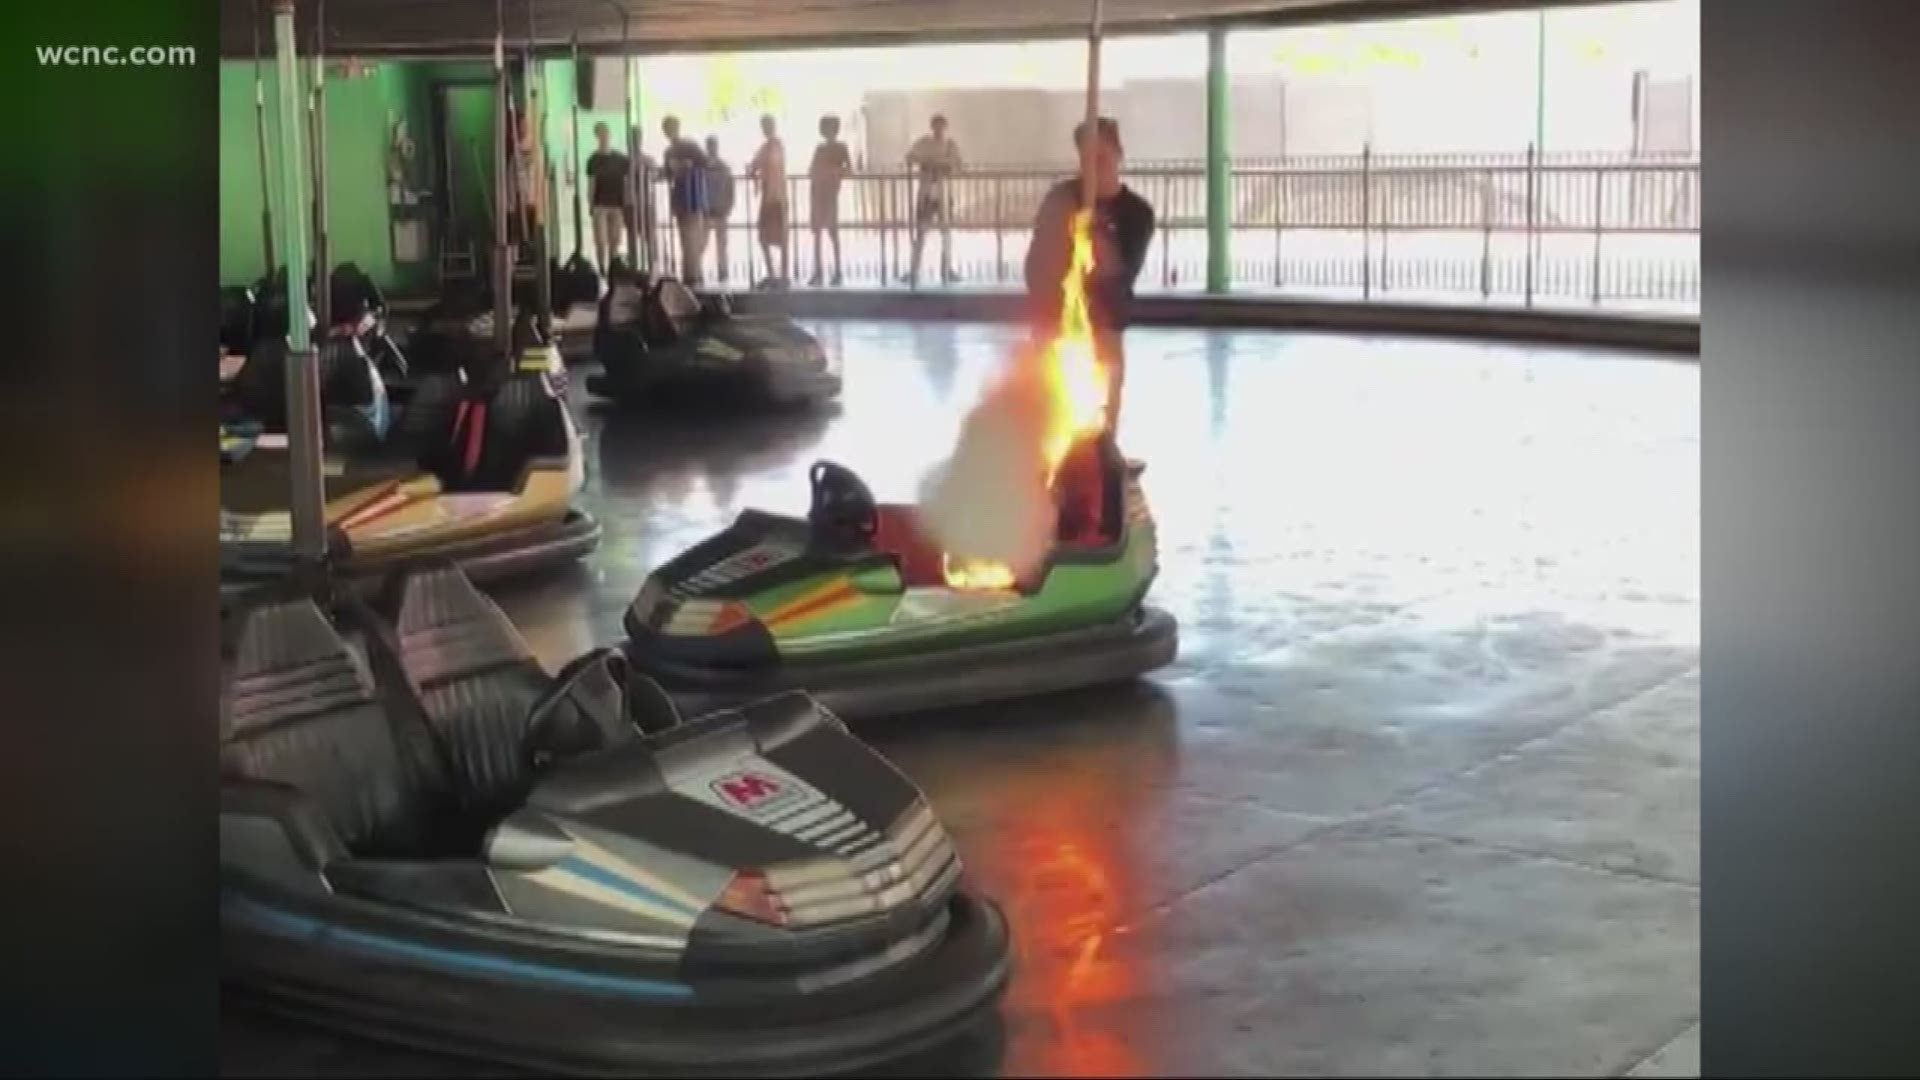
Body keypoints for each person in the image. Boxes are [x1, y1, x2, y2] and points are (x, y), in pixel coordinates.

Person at [1024, 117, 1155, 434]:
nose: (1094, 166)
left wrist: (1095, 238)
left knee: (1100, 408)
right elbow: (1035, 266)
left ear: (1118, 154)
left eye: (1102, 157)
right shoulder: (1061, 201)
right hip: (1055, 320)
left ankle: (1103, 453)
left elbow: (1121, 274)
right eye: (1087, 159)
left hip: (1105, 324)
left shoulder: (1137, 213)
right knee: (1049, 411)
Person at [905, 114, 964, 287]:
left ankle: (946, 269)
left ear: (945, 127)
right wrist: (926, 162)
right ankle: (914, 269)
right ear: (932, 127)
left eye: (941, 126)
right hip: (927, 192)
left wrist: (942, 164)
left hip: (944, 192)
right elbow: (909, 157)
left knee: (946, 231)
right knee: (921, 231)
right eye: (936, 126)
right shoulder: (924, 143)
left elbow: (958, 164)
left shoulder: (950, 145)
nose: (938, 129)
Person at [658, 115, 710, 286]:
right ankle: (691, 273)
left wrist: (688, 165)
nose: (670, 132)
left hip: (691, 197)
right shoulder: (669, 151)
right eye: (667, 129)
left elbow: (704, 162)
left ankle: (693, 274)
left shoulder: (689, 146)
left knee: (691, 236)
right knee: (687, 237)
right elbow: (666, 173)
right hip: (682, 198)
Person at [807, 115, 853, 287]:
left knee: (832, 233)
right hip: (818, 192)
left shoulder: (841, 148)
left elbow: (849, 169)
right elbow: (811, 169)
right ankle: (819, 271)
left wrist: (834, 172)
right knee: (818, 233)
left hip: (830, 193)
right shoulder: (820, 149)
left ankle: (837, 271)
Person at [747, 114, 791, 289]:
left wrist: (756, 170)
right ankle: (775, 274)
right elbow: (754, 165)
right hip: (772, 197)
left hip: (775, 197)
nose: (766, 129)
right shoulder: (769, 147)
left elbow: (760, 164)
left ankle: (781, 275)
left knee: (777, 236)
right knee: (766, 236)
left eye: (767, 125)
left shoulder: (773, 146)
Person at [583, 122, 631, 277]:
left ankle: (613, 267)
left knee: (615, 239)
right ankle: (602, 267)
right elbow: (591, 183)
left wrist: (627, 202)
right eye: (600, 134)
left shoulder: (621, 159)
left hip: (617, 203)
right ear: (596, 136)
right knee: (601, 239)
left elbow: (627, 182)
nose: (603, 136)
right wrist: (590, 203)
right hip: (600, 204)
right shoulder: (593, 160)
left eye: (605, 133)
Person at [704, 136, 736, 287]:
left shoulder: (710, 167)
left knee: (719, 243)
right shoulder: (723, 167)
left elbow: (731, 189)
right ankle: (721, 273)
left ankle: (722, 272)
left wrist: (729, 206)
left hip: (716, 209)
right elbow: (731, 189)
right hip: (712, 209)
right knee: (712, 243)